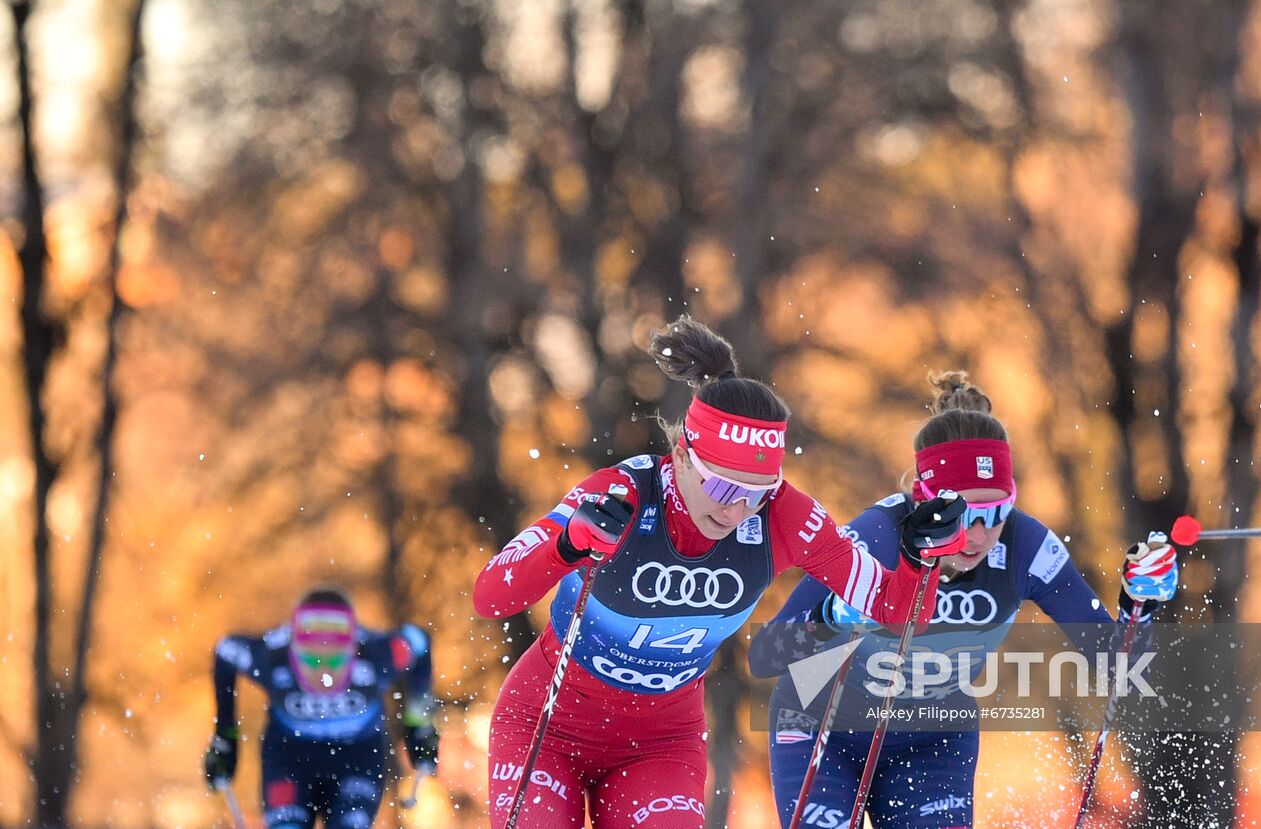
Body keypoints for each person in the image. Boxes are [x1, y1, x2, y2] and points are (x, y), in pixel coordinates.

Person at [472, 316, 969, 828]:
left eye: (755, 493)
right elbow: (491, 596)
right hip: (547, 724)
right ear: (682, 454)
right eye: (725, 488)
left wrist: (919, 560)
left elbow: (898, 612)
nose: (736, 511)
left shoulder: (784, 516)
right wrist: (567, 545)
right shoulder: (622, 494)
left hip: (661, 745)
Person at [750, 370, 1180, 829]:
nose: (980, 534)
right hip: (823, 725)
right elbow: (765, 655)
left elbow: (1124, 670)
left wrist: (1140, 605)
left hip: (931, 740)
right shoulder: (876, 538)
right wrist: (834, 617)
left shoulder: (1027, 548)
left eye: (997, 511)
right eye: (966, 515)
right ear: (925, 500)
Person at [202, 588, 438, 829]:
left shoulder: (377, 655)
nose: (323, 669)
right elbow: (225, 651)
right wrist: (225, 737)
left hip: (357, 757)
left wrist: (419, 725)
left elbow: (421, 642)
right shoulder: (272, 657)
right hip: (289, 758)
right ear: (292, 645)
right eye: (311, 655)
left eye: (334, 655)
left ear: (353, 645)